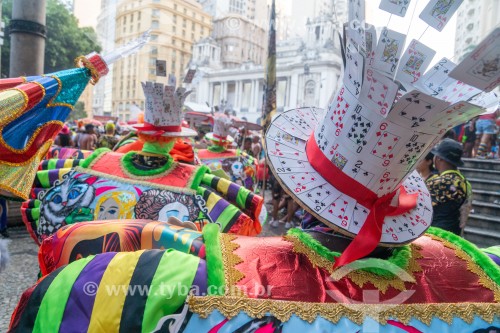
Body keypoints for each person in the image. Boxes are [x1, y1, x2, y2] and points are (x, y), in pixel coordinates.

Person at [427, 139, 472, 235]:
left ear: (438, 158)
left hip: (434, 235)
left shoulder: (436, 182)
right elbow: (464, 215)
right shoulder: (465, 182)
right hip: (454, 236)